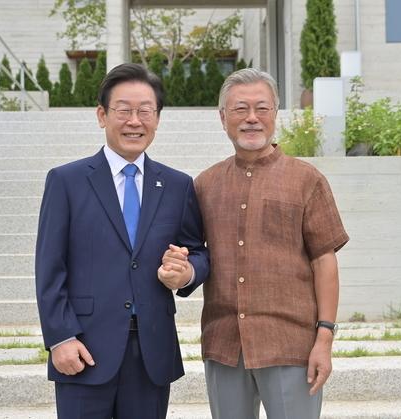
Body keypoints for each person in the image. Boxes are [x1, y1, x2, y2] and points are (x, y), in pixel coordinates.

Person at [35, 63, 209, 419]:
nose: (135, 121)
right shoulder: (66, 181)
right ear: (102, 115)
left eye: (145, 111)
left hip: (151, 351)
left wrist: (186, 271)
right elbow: (49, 267)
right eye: (124, 110)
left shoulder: (177, 185)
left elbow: (198, 252)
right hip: (83, 348)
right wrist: (60, 337)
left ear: (157, 118)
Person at [192, 68, 349, 419]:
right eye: (240, 109)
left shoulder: (307, 180)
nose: (251, 118)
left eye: (262, 108)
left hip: (290, 344)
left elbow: (325, 262)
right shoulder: (205, 185)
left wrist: (324, 339)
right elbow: (194, 256)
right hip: (224, 344)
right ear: (222, 118)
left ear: (275, 115)